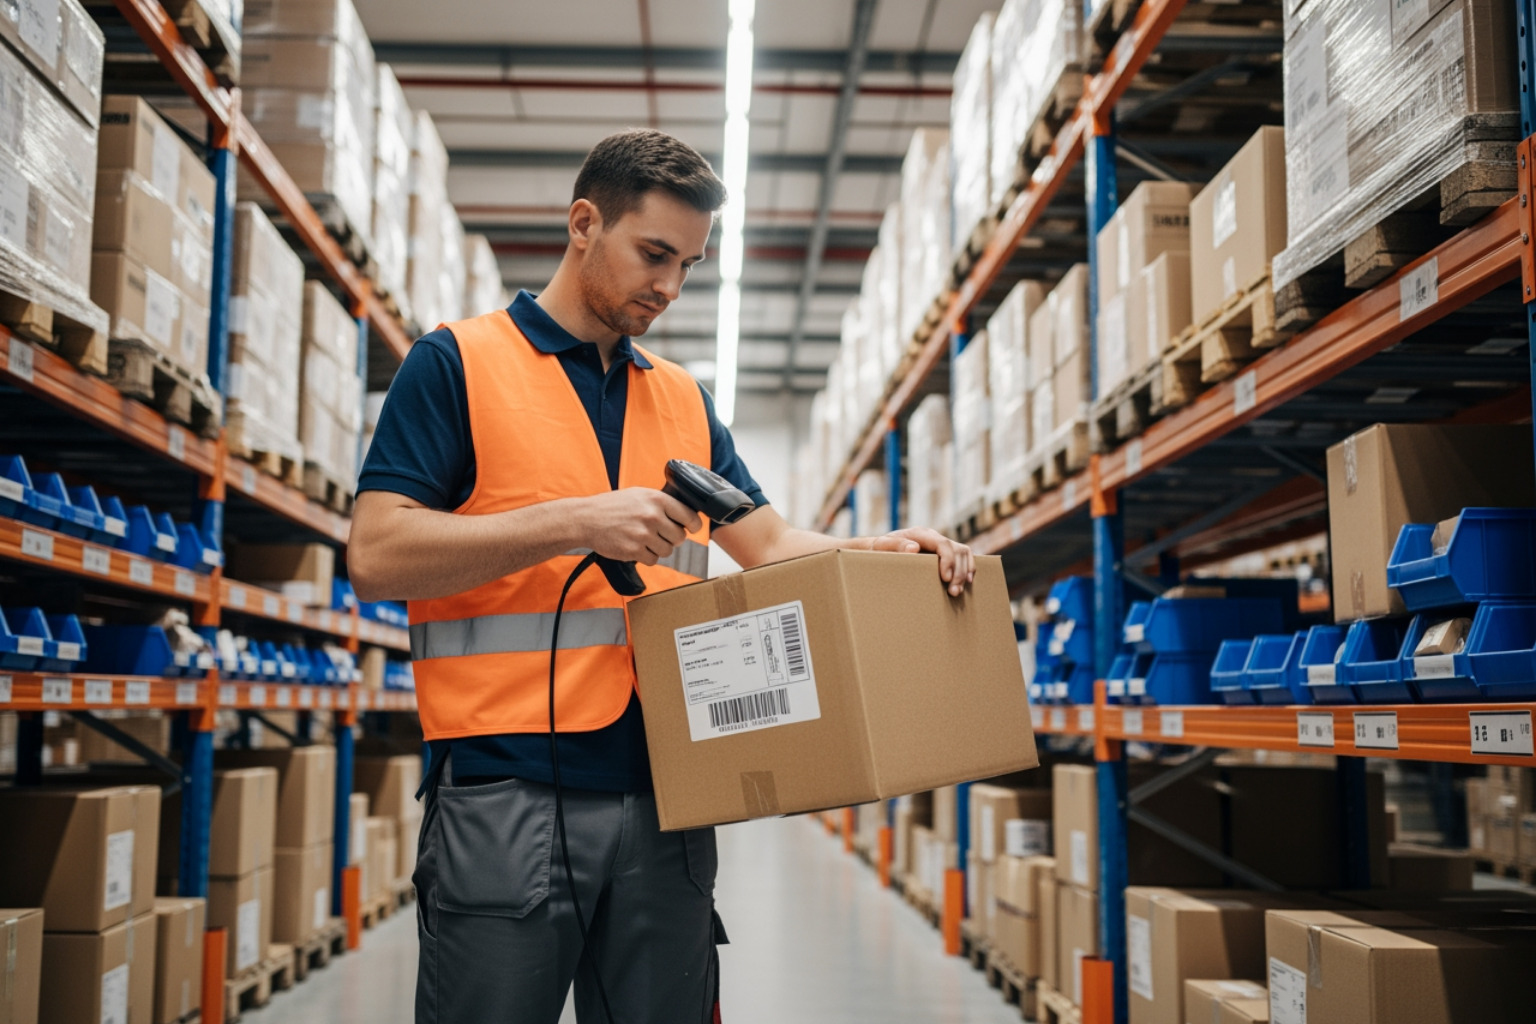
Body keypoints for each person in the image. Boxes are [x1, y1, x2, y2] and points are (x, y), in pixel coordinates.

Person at [347, 128, 975, 1024]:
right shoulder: (457, 364)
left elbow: (768, 545)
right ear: (582, 224)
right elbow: (375, 553)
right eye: (653, 255)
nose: (670, 288)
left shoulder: (681, 399)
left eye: (688, 264)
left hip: (667, 800)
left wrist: (882, 553)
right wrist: (576, 521)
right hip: (506, 794)